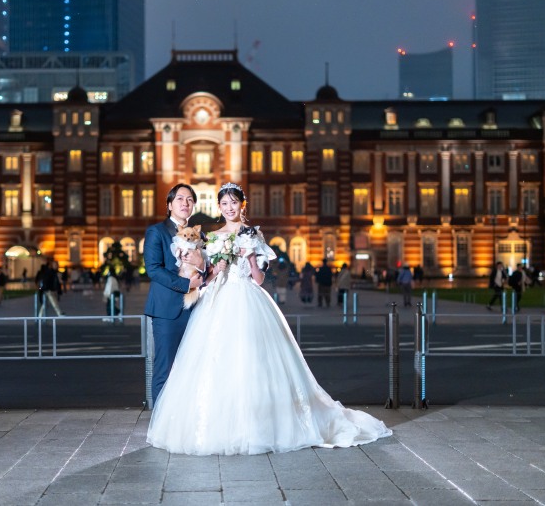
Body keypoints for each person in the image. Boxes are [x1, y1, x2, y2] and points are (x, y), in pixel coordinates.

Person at [147, 182, 392, 455]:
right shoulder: (212, 237)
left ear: (242, 204)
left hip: (248, 299)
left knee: (253, 361)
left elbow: (260, 279)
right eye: (224, 204)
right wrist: (215, 267)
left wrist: (250, 257)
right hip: (217, 301)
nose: (229, 208)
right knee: (214, 361)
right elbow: (209, 276)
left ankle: (258, 424)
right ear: (219, 207)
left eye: (233, 203)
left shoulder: (254, 234)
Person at [144, 183, 205, 403]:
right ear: (169, 204)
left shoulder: (200, 235)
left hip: (197, 310)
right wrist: (185, 284)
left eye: (189, 200)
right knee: (165, 368)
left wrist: (203, 274)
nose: (185, 203)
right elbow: (153, 269)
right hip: (167, 311)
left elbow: (206, 270)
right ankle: (159, 425)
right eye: (180, 199)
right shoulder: (157, 231)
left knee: (191, 368)